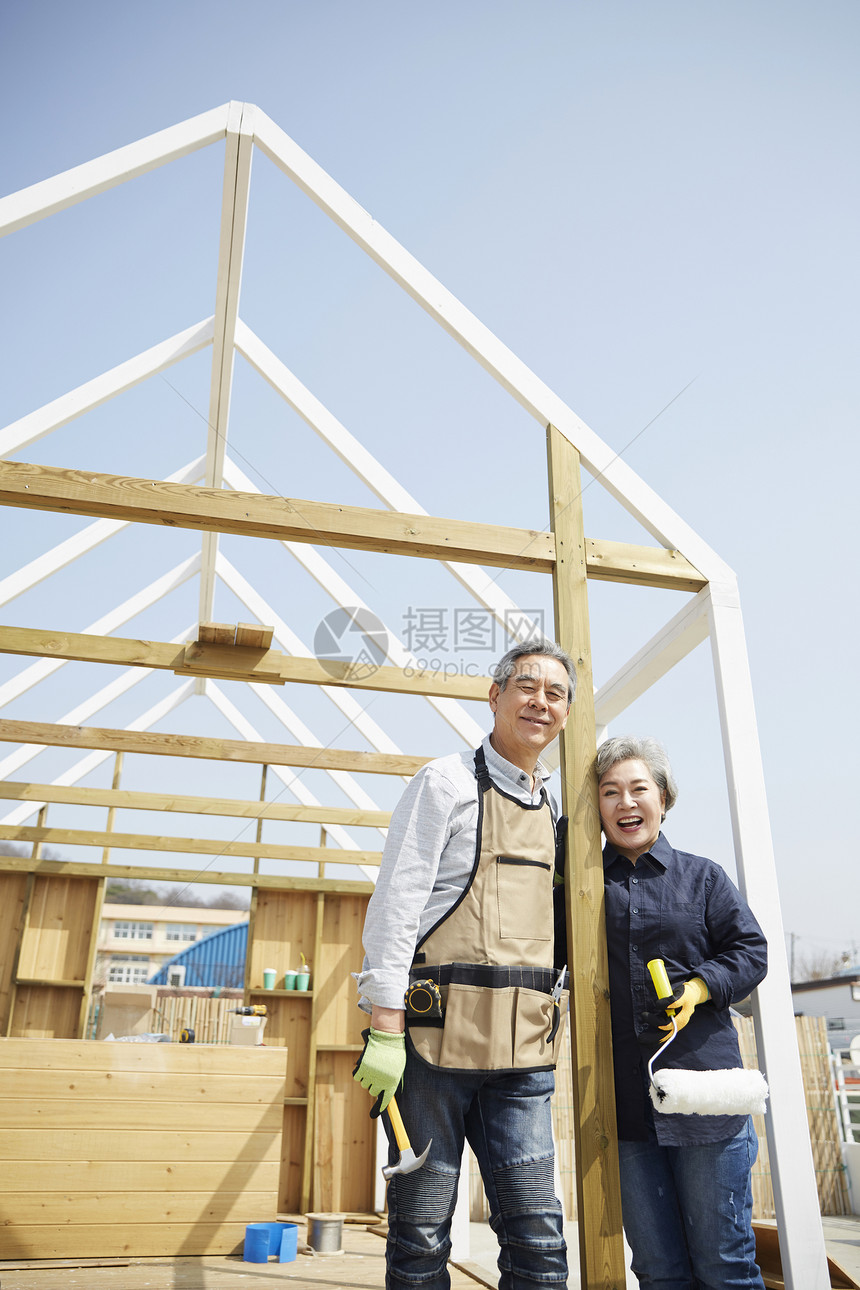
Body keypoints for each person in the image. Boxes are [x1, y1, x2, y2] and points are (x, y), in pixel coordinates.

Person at [354, 640, 575, 1290]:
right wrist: (385, 1027)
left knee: (538, 1236)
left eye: (555, 693)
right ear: (496, 696)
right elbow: (395, 906)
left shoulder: (557, 811)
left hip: (524, 1058)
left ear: (564, 713)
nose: (541, 701)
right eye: (527, 686)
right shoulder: (445, 782)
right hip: (431, 1052)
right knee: (420, 1235)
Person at [597, 734, 768, 1290]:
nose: (626, 803)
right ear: (594, 811)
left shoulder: (704, 877)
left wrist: (698, 988)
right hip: (625, 1105)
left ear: (664, 797)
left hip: (705, 1099)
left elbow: (752, 951)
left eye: (638, 789)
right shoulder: (580, 889)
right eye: (609, 792)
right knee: (657, 1270)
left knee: (725, 1264)